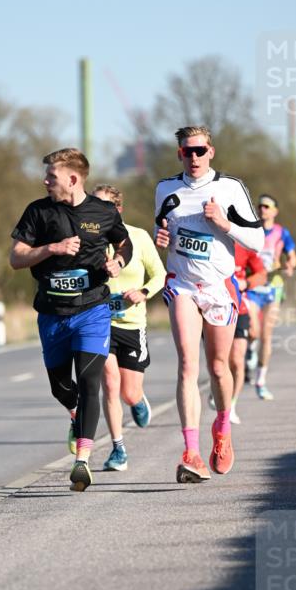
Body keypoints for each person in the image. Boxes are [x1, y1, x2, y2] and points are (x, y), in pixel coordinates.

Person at [10, 148, 132, 492]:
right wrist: (52, 249)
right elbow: (16, 258)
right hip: (52, 314)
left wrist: (118, 263)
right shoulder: (38, 211)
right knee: (62, 388)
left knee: (91, 381)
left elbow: (124, 244)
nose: (45, 181)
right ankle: (75, 415)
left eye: (51, 176)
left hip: (92, 309)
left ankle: (83, 460)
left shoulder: (104, 212)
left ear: (73, 179)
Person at [155, 125, 264, 482]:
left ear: (211, 151)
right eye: (188, 151)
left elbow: (259, 241)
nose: (195, 157)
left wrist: (224, 223)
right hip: (182, 284)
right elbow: (165, 230)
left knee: (218, 367)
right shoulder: (165, 189)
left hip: (219, 287)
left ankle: (222, 429)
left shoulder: (230, 188)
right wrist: (162, 237)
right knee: (188, 364)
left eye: (200, 150)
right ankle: (191, 453)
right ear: (179, 155)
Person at [92, 184, 166, 472]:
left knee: (129, 393)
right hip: (101, 322)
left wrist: (143, 293)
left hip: (133, 325)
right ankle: (118, 449)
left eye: (105, 206)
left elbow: (159, 274)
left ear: (118, 209)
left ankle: (137, 400)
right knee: (110, 382)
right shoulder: (91, 240)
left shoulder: (138, 237)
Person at [245, 194, 296, 400]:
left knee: (267, 334)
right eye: (260, 206)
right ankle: (250, 348)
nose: (263, 209)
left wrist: (290, 265)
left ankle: (261, 380)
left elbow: (292, 256)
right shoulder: (250, 229)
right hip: (253, 287)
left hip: (273, 288)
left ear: (275, 211)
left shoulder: (282, 233)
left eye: (267, 206)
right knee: (253, 330)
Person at [224, 244, 267, 423]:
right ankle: (220, 391)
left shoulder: (244, 245)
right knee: (220, 362)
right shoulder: (210, 236)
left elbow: (262, 275)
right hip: (215, 306)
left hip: (239, 306)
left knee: (236, 360)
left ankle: (231, 406)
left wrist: (246, 283)